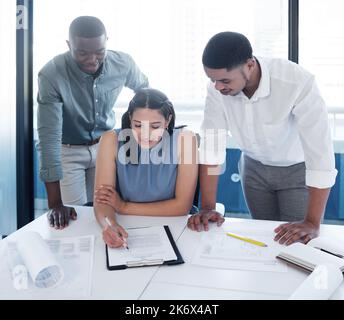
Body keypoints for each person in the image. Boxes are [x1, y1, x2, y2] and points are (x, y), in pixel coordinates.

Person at [187, 31, 337, 245]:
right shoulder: (218, 89)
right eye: (212, 80)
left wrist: (312, 223)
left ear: (249, 65)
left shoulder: (296, 82)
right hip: (253, 169)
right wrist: (208, 207)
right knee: (266, 241)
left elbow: (320, 153)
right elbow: (212, 147)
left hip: (297, 172)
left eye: (224, 80)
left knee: (299, 243)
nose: (218, 87)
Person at [37, 16, 149, 229]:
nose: (92, 59)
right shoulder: (51, 74)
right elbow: (49, 137)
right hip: (68, 151)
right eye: (82, 53)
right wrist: (55, 204)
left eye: (99, 51)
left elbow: (144, 91)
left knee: (105, 210)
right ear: (69, 45)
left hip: (105, 146)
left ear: (107, 41)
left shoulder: (122, 63)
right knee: (74, 219)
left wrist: (130, 129)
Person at [93, 88, 198, 248]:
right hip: (127, 224)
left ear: (168, 121)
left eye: (155, 126)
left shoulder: (186, 140)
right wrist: (110, 225)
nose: (145, 134)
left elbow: (182, 207)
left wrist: (123, 207)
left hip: (174, 226)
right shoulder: (111, 140)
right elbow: (103, 200)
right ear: (130, 118)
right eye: (138, 125)